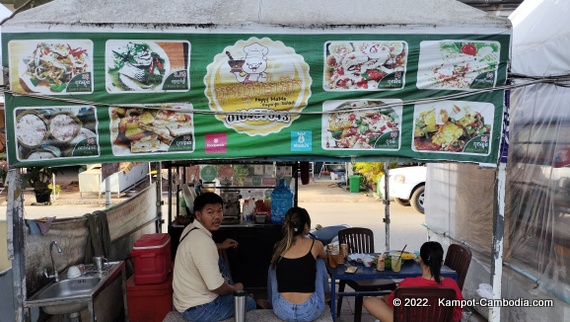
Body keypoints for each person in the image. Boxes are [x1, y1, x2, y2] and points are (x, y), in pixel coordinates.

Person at [172, 192, 256, 322]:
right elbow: (216, 287)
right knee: (249, 303)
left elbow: (198, 251)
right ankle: (239, 295)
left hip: (185, 302)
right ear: (198, 215)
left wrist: (220, 245)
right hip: (200, 310)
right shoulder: (204, 243)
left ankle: (236, 295)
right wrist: (235, 288)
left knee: (219, 261)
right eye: (210, 213)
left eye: (219, 211)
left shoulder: (190, 229)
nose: (217, 217)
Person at [363, 241, 464, 322]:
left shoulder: (408, 284)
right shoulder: (451, 285)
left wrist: (384, 298)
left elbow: (393, 303)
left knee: (369, 301)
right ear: (441, 261)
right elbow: (457, 313)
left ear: (420, 259)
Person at [267, 207, 329, 321]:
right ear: (306, 226)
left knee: (273, 266)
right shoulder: (315, 244)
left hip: (282, 310)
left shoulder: (278, 246)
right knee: (319, 262)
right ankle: (327, 293)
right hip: (309, 310)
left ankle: (271, 301)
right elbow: (325, 257)